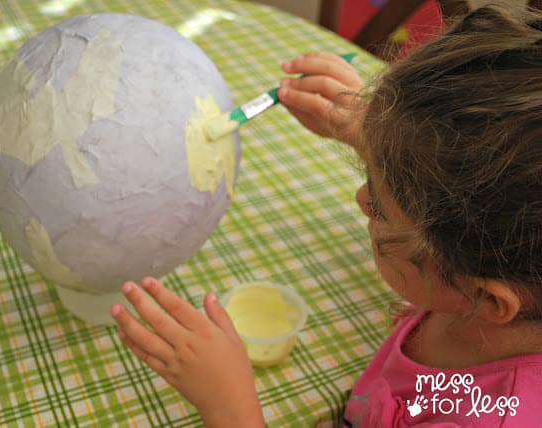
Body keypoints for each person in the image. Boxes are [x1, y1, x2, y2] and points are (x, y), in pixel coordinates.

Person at [110, 5, 542, 427]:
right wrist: (374, 137)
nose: (361, 200)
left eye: (381, 208)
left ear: (488, 299)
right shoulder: (491, 270)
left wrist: (229, 407)